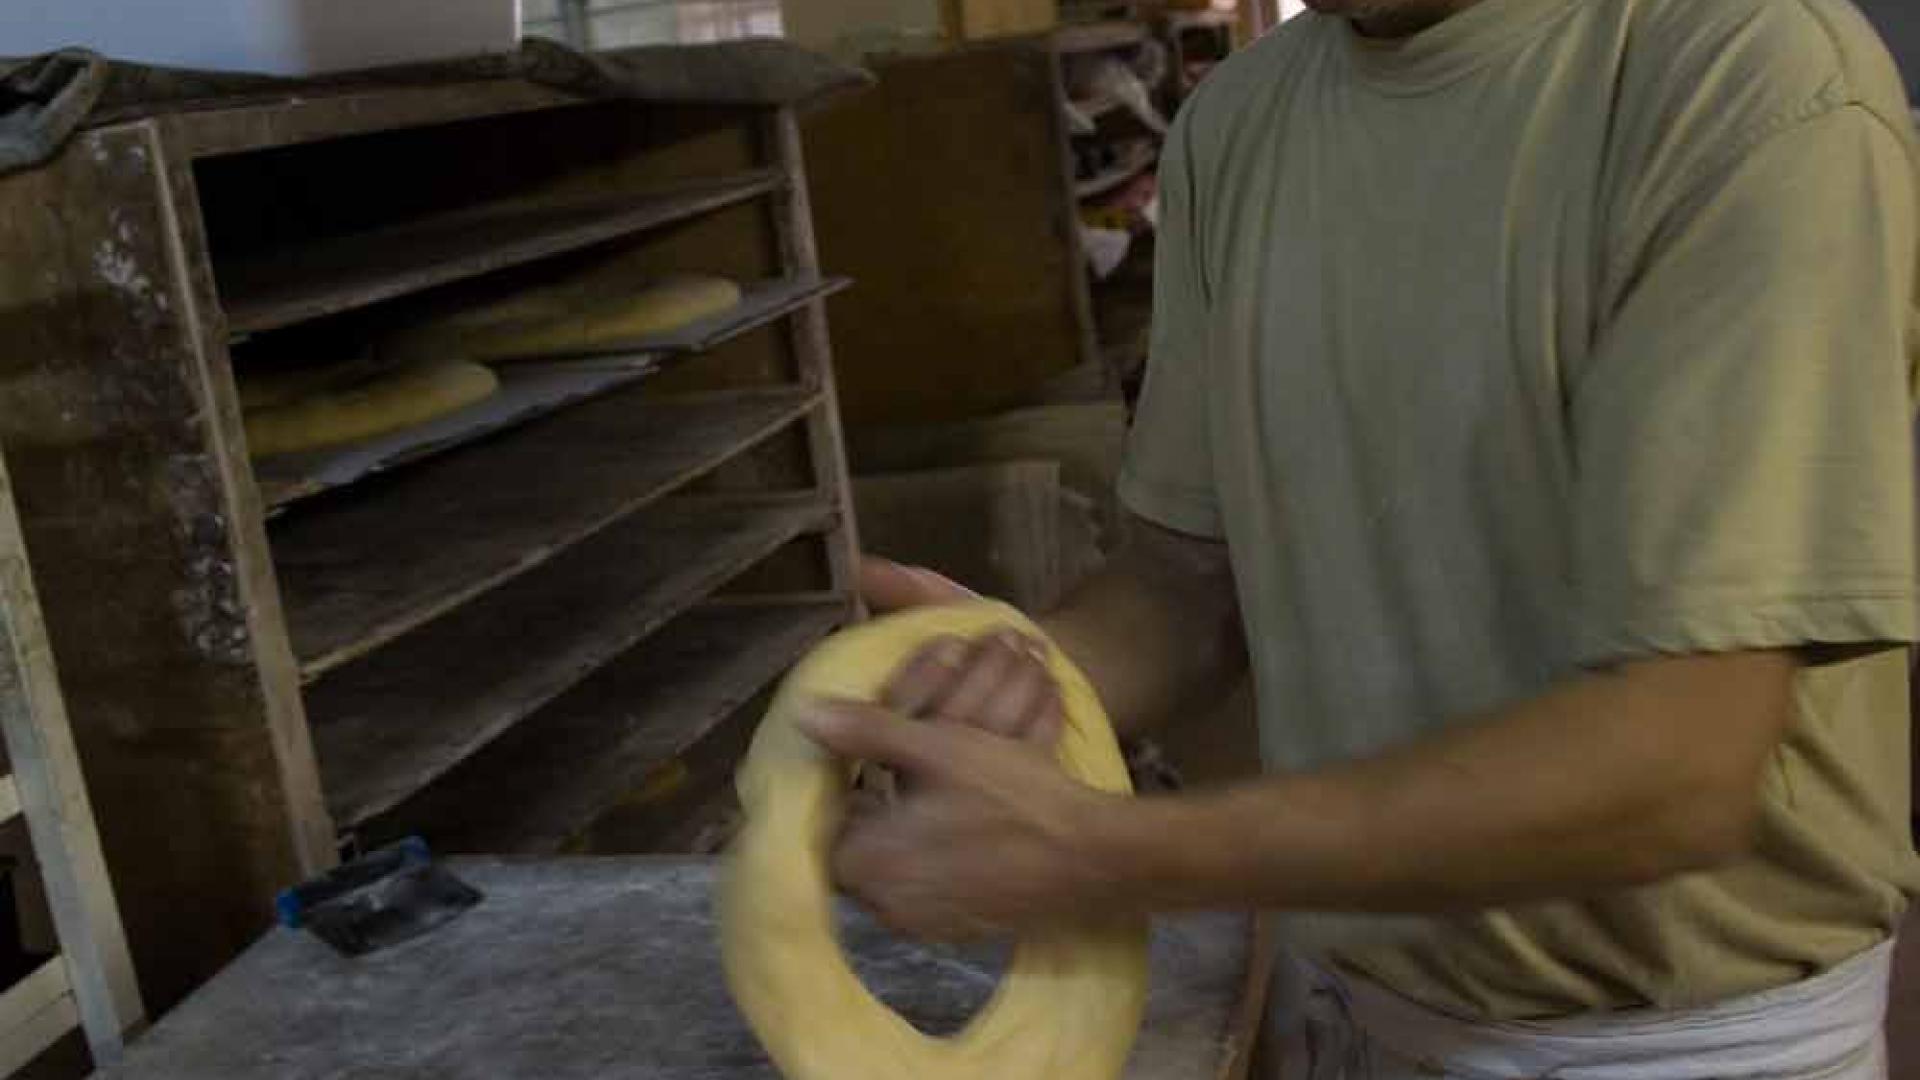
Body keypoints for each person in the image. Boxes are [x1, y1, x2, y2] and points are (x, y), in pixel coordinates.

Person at [797, 0, 1920, 1076]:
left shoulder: (1745, 83)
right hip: (1350, 1007)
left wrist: (1100, 852)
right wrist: (1017, 677)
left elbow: (1679, 766)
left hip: (1674, 1046)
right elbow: (1188, 585)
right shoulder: (1238, 123)